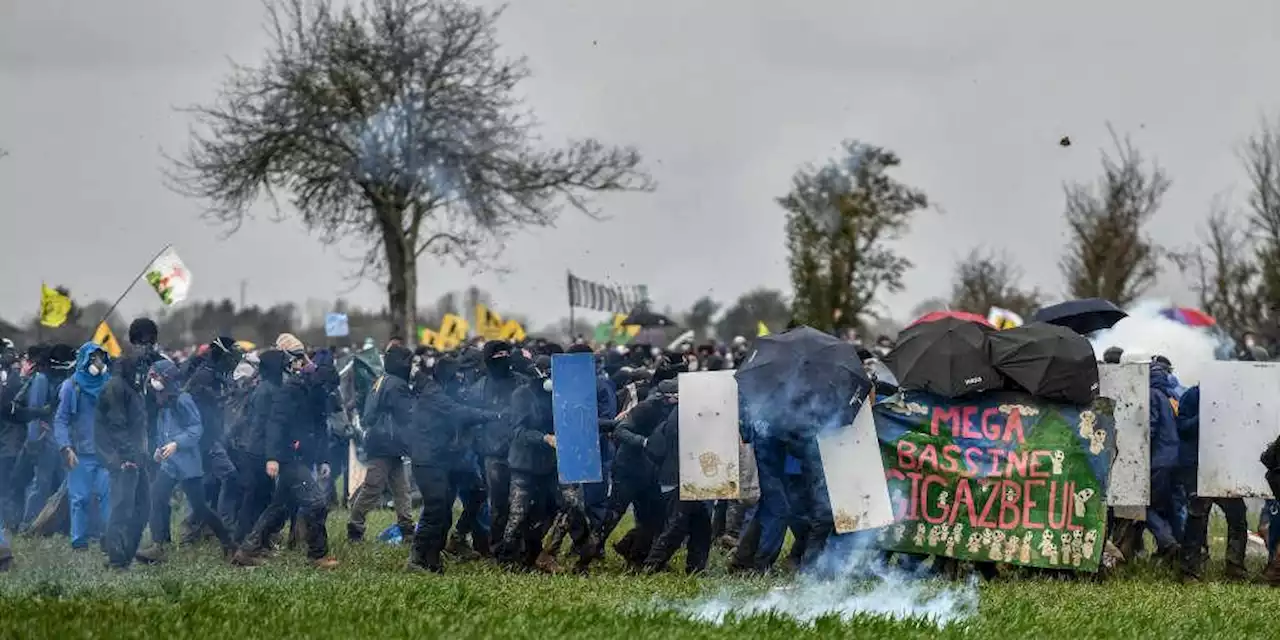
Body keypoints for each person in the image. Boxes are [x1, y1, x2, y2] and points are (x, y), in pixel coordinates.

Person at [233, 334, 338, 569]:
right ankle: (317, 555)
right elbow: (275, 425)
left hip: (296, 455)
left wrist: (323, 459)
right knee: (316, 503)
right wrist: (273, 457)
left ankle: (247, 550)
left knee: (278, 507)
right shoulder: (288, 389)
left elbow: (318, 426)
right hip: (289, 457)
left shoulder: (309, 391)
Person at [135, 359, 236, 563]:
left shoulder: (183, 399)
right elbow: (165, 430)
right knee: (157, 497)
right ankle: (159, 545)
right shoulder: (162, 399)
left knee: (200, 508)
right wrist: (160, 449)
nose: (152, 381)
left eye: (156, 376)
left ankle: (229, 543)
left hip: (188, 465)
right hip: (169, 464)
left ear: (168, 378)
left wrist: (176, 444)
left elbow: (195, 429)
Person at [405, 355, 497, 573]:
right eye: (456, 376)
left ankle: (433, 557)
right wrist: (495, 415)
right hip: (427, 460)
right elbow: (460, 413)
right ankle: (416, 558)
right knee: (436, 506)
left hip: (443, 458)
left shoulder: (441, 391)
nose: (461, 380)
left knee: (446, 508)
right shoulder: (433, 394)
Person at [1177, 384, 1248, 582]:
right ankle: (1190, 570)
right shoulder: (1192, 395)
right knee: (1197, 517)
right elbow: (1182, 427)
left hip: (1224, 466)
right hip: (1198, 466)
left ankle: (1235, 568)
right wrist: (1207, 416)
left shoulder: (1232, 395)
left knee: (1237, 517)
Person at [497, 355, 560, 572]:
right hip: (524, 465)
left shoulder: (556, 394)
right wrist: (544, 438)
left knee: (544, 512)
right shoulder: (522, 395)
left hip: (548, 465)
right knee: (517, 513)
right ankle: (506, 559)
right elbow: (518, 431)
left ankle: (531, 555)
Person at [346, 346, 414, 543]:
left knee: (401, 489)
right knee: (373, 487)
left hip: (384, 443)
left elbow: (369, 414)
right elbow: (406, 414)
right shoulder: (397, 384)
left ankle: (407, 528)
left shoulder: (382, 380)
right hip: (387, 444)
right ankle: (355, 526)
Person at [95, 346, 151, 570]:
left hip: (136, 457)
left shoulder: (130, 387)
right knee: (122, 508)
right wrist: (127, 456)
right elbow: (117, 426)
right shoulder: (115, 387)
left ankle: (125, 554)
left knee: (143, 507)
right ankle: (117, 559)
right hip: (122, 458)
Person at [52, 342, 112, 550]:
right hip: (80, 453)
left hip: (107, 452)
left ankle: (110, 538)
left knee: (109, 496)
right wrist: (66, 447)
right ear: (85, 360)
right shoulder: (72, 386)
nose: (98, 362)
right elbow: (61, 420)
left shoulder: (110, 383)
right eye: (94, 358)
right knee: (80, 499)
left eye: (101, 358)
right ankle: (79, 542)